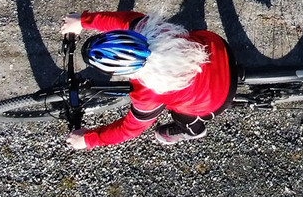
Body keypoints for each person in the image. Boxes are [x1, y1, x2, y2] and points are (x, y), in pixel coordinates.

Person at [60, 10, 233, 150]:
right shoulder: (146, 28)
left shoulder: (150, 93)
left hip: (217, 98)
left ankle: (193, 132)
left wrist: (91, 140)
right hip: (218, 48)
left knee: (182, 116)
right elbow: (119, 20)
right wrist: (83, 20)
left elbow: (129, 129)